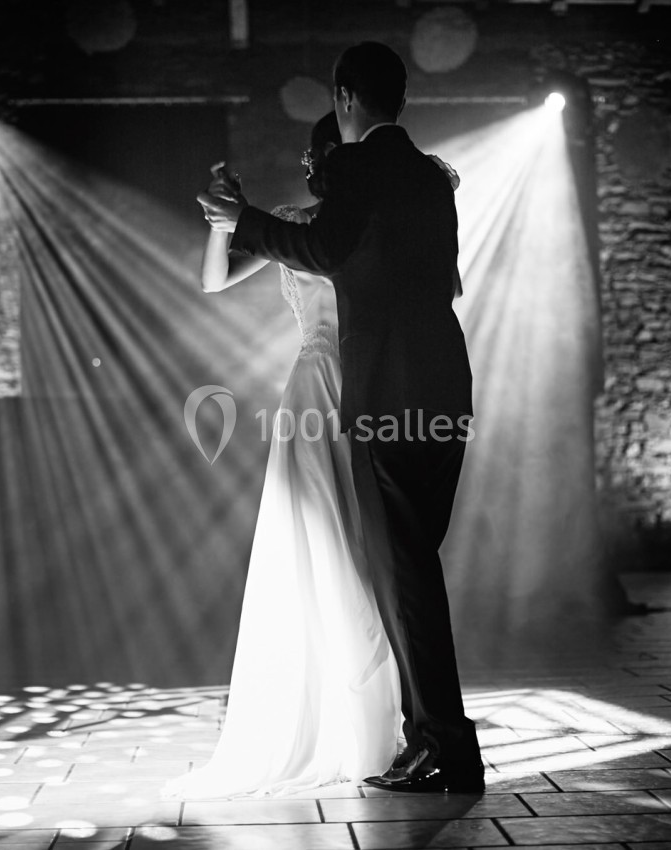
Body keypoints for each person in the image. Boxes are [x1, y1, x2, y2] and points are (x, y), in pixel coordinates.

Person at [198, 41, 484, 793]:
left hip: (383, 392)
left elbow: (325, 248)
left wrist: (243, 217)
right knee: (409, 567)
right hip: (442, 385)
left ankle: (444, 747)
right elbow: (434, 277)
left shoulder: (359, 166)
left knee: (403, 573)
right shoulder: (431, 177)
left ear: (346, 97)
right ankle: (430, 738)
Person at [164, 112, 402, 799]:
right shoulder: (293, 224)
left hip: (367, 384)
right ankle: (326, 713)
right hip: (313, 387)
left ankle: (370, 713)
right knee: (316, 536)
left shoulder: (369, 221)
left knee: (364, 543)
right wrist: (223, 221)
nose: (314, 169)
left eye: (321, 157)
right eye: (310, 160)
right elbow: (214, 281)